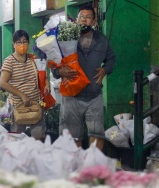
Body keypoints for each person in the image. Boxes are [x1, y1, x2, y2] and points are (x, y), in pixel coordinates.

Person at [51, 5, 115, 150]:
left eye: (88, 17)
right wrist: (60, 72)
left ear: (93, 21)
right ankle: (75, 167)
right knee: (73, 137)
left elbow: (111, 59)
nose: (84, 20)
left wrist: (105, 70)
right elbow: (53, 62)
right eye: (81, 17)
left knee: (97, 134)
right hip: (72, 96)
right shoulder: (65, 37)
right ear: (77, 19)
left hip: (94, 96)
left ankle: (92, 167)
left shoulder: (101, 39)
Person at [0, 29, 50, 141]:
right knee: (17, 138)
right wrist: (22, 95)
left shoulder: (33, 59)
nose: (22, 44)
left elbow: (43, 75)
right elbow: (3, 83)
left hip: (36, 104)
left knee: (38, 138)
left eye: (25, 41)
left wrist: (47, 85)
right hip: (18, 106)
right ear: (13, 44)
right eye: (18, 42)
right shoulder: (9, 61)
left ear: (28, 43)